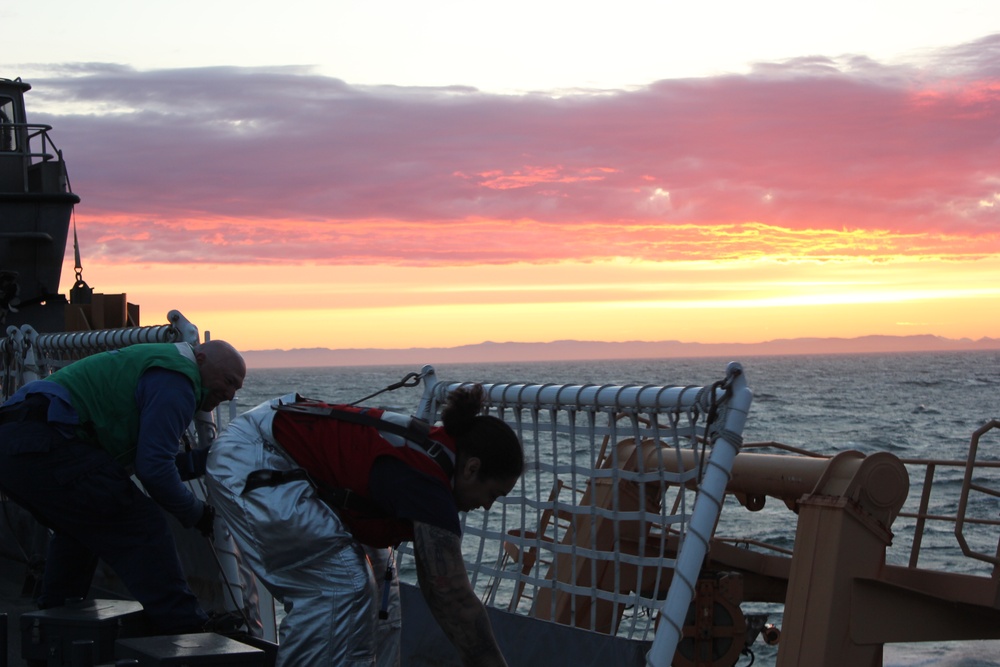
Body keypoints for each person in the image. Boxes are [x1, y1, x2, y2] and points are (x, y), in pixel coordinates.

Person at [205, 384, 523, 667]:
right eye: (493, 493)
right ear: (471, 468)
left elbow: (438, 588)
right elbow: (452, 595)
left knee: (382, 587)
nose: (487, 505)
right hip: (253, 457)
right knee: (337, 587)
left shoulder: (432, 455)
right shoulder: (426, 482)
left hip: (268, 441)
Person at [0, 339, 246, 634]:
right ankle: (187, 625)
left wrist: (203, 461)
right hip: (43, 441)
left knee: (84, 524)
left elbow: (150, 462)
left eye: (237, 389)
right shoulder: (178, 381)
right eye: (229, 381)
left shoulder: (161, 366)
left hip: (15, 443)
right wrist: (196, 513)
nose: (230, 393)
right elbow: (154, 470)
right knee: (139, 522)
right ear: (201, 359)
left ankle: (53, 625)